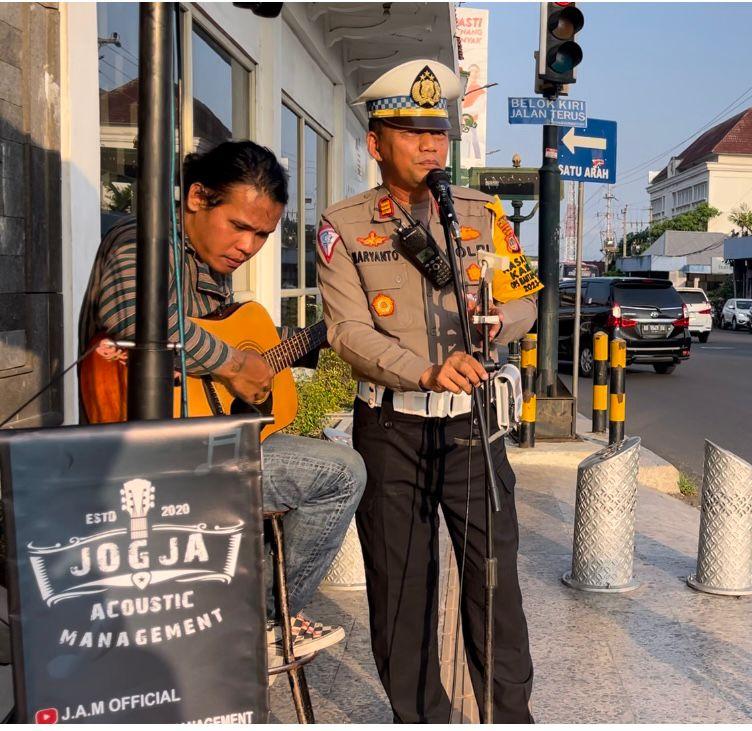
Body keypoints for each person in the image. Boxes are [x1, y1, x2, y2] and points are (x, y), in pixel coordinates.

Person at [315, 59, 540, 723]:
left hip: (473, 427)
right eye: (410, 132)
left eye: (436, 132)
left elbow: (525, 297)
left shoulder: (483, 214)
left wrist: (506, 320)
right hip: (391, 430)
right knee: (403, 589)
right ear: (375, 143)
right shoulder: (343, 224)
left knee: (493, 584)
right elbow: (347, 330)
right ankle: (422, 716)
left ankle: (507, 714)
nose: (428, 144)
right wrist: (421, 370)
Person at [79, 140, 366, 660]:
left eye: (262, 234)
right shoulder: (140, 241)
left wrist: (286, 353)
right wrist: (235, 365)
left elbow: (230, 349)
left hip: (201, 444)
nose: (248, 246)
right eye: (239, 225)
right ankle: (259, 624)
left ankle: (240, 616)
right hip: (149, 460)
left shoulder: (208, 270)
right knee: (341, 472)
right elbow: (134, 318)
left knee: (322, 456)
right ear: (196, 198)